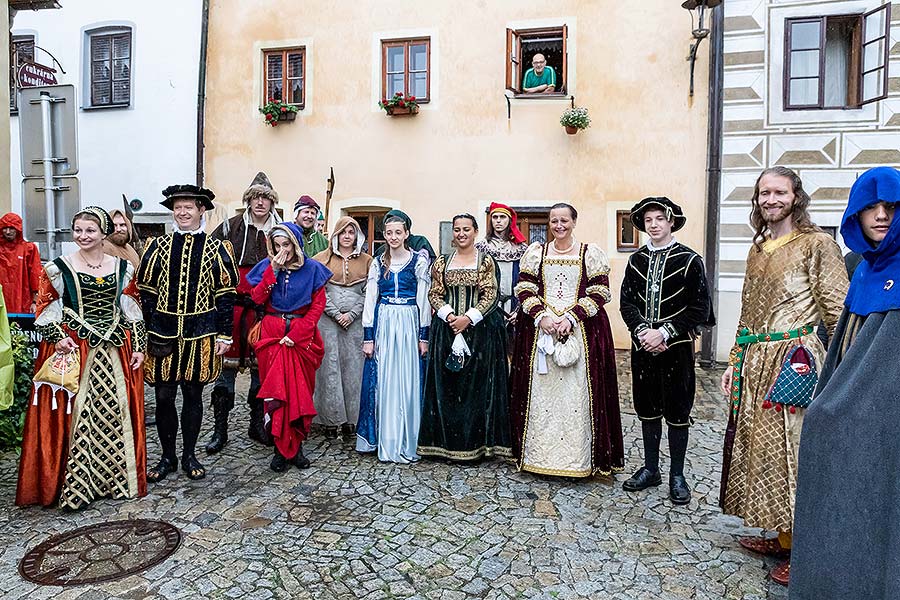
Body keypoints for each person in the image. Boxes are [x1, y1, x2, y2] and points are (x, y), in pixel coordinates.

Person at [718, 167, 848, 586]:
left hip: (796, 361)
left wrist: (841, 369)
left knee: (795, 454)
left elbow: (838, 309)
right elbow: (748, 310)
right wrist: (735, 360)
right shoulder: (759, 248)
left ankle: (805, 547)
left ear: (796, 196)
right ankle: (781, 534)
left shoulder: (817, 244)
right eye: (763, 193)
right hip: (757, 361)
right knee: (765, 451)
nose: (770, 199)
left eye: (779, 192)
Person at [790, 167, 900, 599]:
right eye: (869, 208)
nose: (880, 216)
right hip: (855, 403)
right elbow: (845, 342)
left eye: (891, 206)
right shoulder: (863, 268)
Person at [16, 207, 147, 509]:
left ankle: (114, 480)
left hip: (115, 351)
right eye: (78, 230)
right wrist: (57, 337)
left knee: (114, 412)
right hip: (77, 349)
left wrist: (139, 347)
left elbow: (133, 311)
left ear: (103, 233)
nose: (83, 236)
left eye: (90, 230)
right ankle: (79, 485)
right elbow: (44, 309)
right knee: (80, 414)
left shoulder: (122, 268)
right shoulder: (58, 267)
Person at [509, 203, 624, 478]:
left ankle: (578, 460)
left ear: (574, 221)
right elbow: (525, 288)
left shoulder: (589, 253)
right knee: (541, 398)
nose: (558, 225)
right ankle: (540, 457)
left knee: (579, 398)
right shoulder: (537, 253)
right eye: (553, 221)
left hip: (581, 334)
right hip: (542, 333)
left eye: (564, 220)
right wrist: (542, 317)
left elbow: (600, 291)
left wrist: (571, 317)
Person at [138, 184, 237, 482]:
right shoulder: (157, 247)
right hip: (162, 334)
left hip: (201, 334)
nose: (182, 212)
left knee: (193, 396)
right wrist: (147, 330)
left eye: (188, 207)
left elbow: (226, 294)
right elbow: (147, 293)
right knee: (164, 397)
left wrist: (224, 335)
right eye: (178, 207)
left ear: (201, 210)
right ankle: (167, 456)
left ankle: (189, 454)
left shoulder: (217, 248)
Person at [619, 197, 714, 505]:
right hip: (643, 347)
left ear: (671, 221)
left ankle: (677, 474)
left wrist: (665, 331)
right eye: (649, 220)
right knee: (647, 408)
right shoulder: (636, 261)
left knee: (677, 411)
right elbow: (627, 303)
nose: (655, 224)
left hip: (677, 349)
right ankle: (650, 469)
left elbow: (700, 307)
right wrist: (643, 331)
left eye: (660, 218)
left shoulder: (689, 260)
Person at [419, 214, 511, 461]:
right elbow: (435, 293)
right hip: (446, 332)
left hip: (480, 333)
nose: (461, 233)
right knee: (448, 388)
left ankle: (477, 446)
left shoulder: (485, 261)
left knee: (476, 391)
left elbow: (491, 294)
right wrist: (450, 316)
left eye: (466, 229)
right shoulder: (441, 262)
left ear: (475, 231)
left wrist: (468, 318)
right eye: (457, 229)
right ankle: (446, 446)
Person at [206, 172, 281, 453]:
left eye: (265, 198)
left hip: (264, 311)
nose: (260, 202)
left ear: (272, 202)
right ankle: (220, 430)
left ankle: (257, 424)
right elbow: (210, 266)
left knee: (261, 374)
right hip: (232, 309)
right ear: (248, 200)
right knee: (224, 374)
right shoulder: (229, 228)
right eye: (255, 197)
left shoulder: (280, 232)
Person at [249, 223, 331, 471]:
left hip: (301, 337)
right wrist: (272, 271)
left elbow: (317, 307)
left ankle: (297, 448)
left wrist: (297, 334)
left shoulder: (313, 269)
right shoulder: (267, 267)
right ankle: (278, 450)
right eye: (277, 245)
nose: (282, 250)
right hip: (272, 336)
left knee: (300, 392)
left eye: (286, 245)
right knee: (276, 392)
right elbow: (257, 298)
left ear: (296, 244)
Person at [357, 213, 431, 463]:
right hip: (386, 322)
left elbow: (423, 300)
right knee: (386, 379)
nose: (393, 237)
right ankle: (386, 438)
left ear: (407, 234)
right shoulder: (378, 262)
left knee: (408, 379)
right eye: (389, 233)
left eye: (398, 232)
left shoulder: (418, 262)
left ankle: (409, 438)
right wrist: (369, 336)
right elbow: (370, 300)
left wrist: (424, 336)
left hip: (409, 321)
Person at [311, 216, 372, 438]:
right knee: (329, 367)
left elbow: (370, 292)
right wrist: (336, 314)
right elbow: (318, 291)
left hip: (355, 321)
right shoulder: (320, 259)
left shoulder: (367, 261)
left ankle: (352, 420)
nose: (347, 237)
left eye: (351, 232)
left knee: (354, 368)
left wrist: (353, 313)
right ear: (336, 235)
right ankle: (330, 419)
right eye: (343, 232)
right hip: (328, 321)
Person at [475, 202, 529, 323]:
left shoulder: (521, 249)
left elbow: (526, 281)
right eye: (495, 217)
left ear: (509, 221)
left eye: (502, 217)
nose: (498, 221)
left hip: (514, 305)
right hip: (488, 307)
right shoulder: (480, 248)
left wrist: (518, 311)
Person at [0, 212, 41, 314]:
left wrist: (35, 302)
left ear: (18, 229)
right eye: (5, 228)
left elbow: (36, 276)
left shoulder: (29, 248)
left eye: (12, 228)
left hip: (23, 299)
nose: (8, 232)